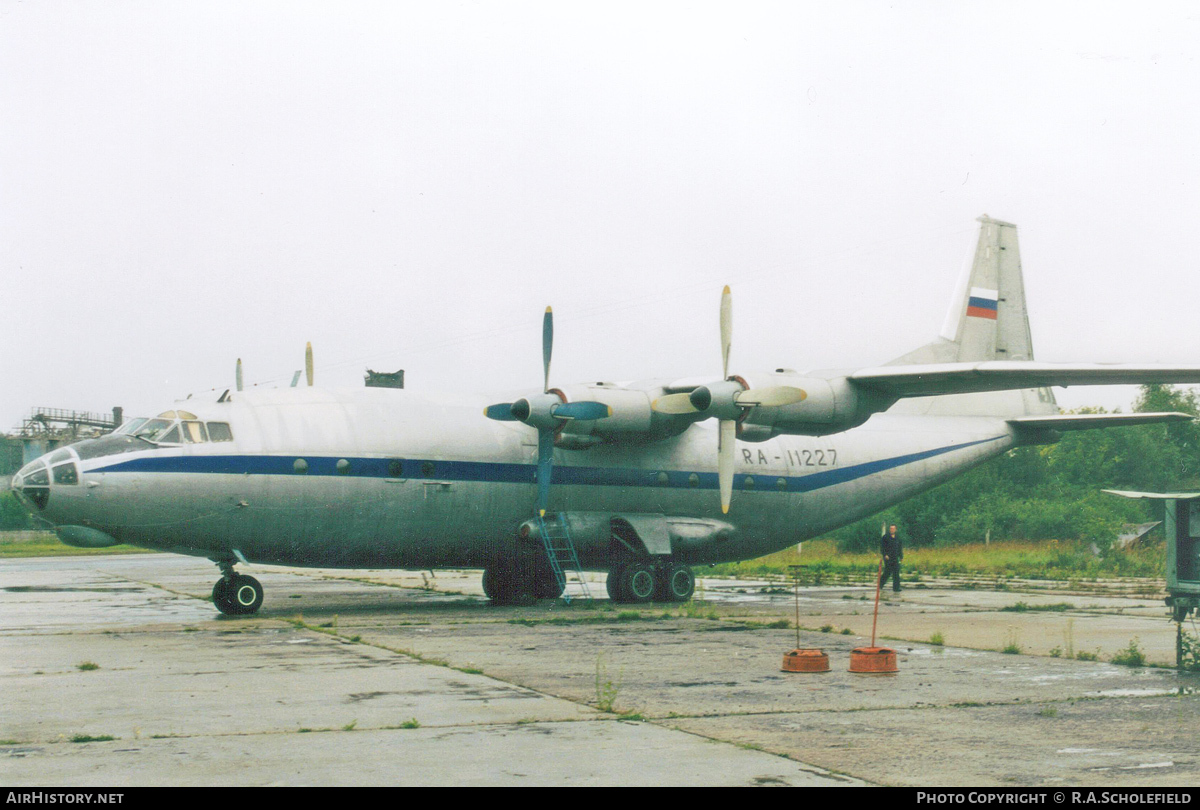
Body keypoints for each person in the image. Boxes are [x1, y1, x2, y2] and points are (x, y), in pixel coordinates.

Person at [879, 523, 903, 593]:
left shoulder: (898, 538)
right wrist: (885, 554)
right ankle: (880, 584)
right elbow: (882, 547)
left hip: (895, 557)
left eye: (893, 528)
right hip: (888, 558)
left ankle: (896, 588)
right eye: (890, 528)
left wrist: (901, 556)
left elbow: (900, 548)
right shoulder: (885, 537)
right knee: (887, 572)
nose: (892, 530)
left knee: (896, 572)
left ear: (895, 529)